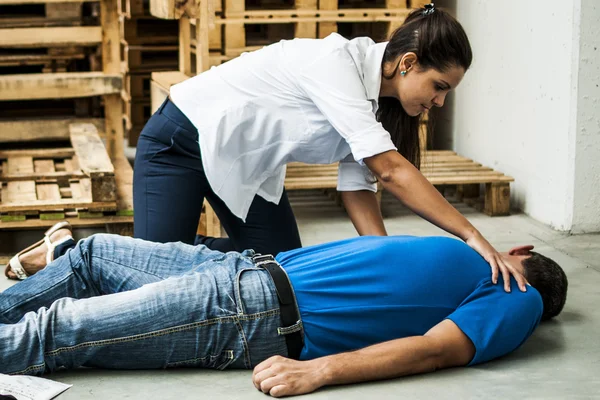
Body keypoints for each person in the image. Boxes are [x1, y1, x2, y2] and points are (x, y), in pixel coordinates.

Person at [129, 4, 526, 290]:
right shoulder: (337, 65)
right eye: (439, 86)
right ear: (407, 62)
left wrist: (386, 261)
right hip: (180, 141)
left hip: (244, 167)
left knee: (281, 270)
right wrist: (474, 237)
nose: (439, 102)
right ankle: (89, 248)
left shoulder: (379, 106)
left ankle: (176, 243)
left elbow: (357, 188)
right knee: (150, 273)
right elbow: (391, 171)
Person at [0, 232, 568, 397]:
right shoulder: (473, 253)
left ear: (523, 257)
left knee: (61, 329)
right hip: (244, 268)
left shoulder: (518, 294)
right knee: (93, 254)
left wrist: (319, 371)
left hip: (249, 312)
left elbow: (437, 349)